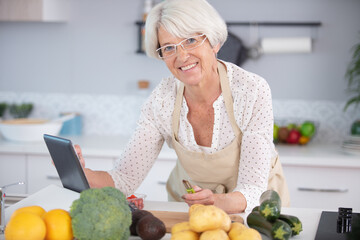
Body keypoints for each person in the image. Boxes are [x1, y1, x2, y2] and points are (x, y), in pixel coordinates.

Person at [75, 0, 289, 213]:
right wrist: (83, 173)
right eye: (168, 47)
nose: (182, 56)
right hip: (192, 207)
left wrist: (215, 201)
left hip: (257, 210)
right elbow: (124, 178)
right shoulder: (161, 101)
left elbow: (252, 187)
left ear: (214, 42)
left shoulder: (251, 90)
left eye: (190, 41)